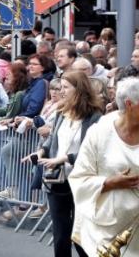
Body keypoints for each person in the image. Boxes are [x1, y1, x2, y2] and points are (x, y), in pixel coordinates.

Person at [26, 70, 103, 257]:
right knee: (61, 234)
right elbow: (52, 139)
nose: (61, 91)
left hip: (81, 180)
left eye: (66, 87)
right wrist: (40, 152)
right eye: (61, 87)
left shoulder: (94, 116)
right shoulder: (61, 112)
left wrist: (65, 158)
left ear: (79, 89)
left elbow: (93, 149)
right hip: (57, 179)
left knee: (80, 236)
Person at [69, 77, 139, 257]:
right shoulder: (100, 132)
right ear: (130, 104)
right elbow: (79, 178)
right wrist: (109, 182)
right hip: (102, 228)